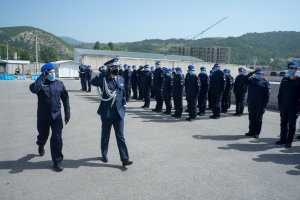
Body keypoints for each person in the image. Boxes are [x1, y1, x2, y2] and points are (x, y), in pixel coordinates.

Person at [90, 58, 133, 167]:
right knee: (105, 135)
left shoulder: (121, 79)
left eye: (117, 67)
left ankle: (125, 159)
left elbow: (123, 94)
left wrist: (124, 108)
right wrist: (103, 74)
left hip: (119, 113)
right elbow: (92, 82)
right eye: (113, 67)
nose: (116, 69)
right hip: (106, 112)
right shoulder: (104, 79)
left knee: (120, 136)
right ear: (109, 68)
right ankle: (104, 154)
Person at [29, 63, 70, 172]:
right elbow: (34, 89)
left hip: (56, 117)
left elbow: (65, 98)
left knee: (57, 138)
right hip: (43, 117)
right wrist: (43, 76)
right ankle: (41, 144)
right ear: (45, 73)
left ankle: (57, 162)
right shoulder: (39, 84)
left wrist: (67, 112)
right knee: (43, 136)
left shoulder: (59, 84)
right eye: (49, 72)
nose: (52, 74)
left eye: (53, 71)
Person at [276, 61, 300, 148]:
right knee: (283, 123)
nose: (290, 69)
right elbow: (280, 93)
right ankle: (282, 139)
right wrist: (280, 104)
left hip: (294, 107)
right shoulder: (284, 79)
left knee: (292, 125)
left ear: (296, 69)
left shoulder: (299, 80)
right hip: (284, 106)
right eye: (289, 68)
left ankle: (289, 141)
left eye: (292, 68)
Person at [245, 67, 270, 138]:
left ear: (262, 74)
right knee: (251, 118)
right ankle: (251, 131)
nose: (258, 74)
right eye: (256, 73)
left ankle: (256, 132)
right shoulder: (251, 80)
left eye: (259, 73)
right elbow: (244, 79)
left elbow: (267, 95)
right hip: (252, 103)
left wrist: (264, 105)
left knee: (258, 119)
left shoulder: (265, 82)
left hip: (260, 104)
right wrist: (252, 73)